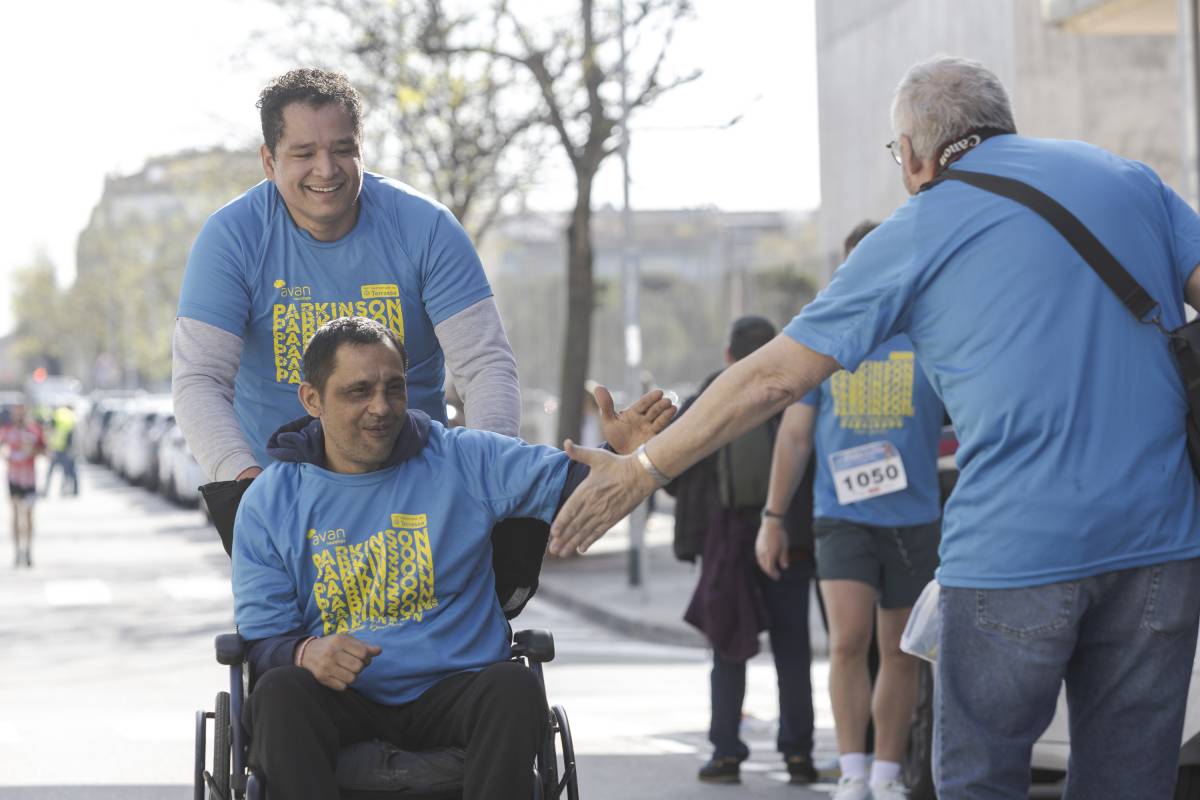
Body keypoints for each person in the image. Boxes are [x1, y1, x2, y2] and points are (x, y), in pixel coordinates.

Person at [550, 55, 1200, 800]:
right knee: (1131, 784)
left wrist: (643, 469)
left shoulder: (917, 228)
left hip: (1016, 554)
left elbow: (772, 378)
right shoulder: (1127, 181)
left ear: (916, 155)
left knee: (979, 782)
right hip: (1163, 546)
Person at [234, 316, 675, 800]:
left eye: (394, 388)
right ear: (312, 399)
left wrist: (621, 454)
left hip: (455, 689)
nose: (381, 407)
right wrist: (304, 653)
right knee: (278, 694)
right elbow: (263, 641)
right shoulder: (271, 501)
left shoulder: (464, 459)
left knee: (514, 686)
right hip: (345, 699)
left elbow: (570, 485)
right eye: (358, 391)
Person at [173, 68, 520, 485]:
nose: (326, 169)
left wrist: (487, 475)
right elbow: (200, 379)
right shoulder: (231, 239)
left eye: (342, 149)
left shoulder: (427, 228)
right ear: (270, 161)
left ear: (361, 149)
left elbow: (485, 364)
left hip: (418, 491)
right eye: (303, 154)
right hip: (281, 495)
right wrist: (245, 487)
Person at [756, 222, 941, 800]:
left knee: (898, 650)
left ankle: (887, 774)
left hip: (914, 518)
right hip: (841, 515)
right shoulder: (828, 337)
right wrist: (772, 518)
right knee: (846, 642)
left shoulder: (928, 336)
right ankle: (853, 771)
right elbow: (794, 437)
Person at [667, 315, 819, 786]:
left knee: (728, 649)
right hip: (789, 539)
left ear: (729, 355)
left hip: (729, 543)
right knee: (794, 651)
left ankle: (726, 753)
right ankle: (798, 755)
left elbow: (674, 468)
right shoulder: (794, 388)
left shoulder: (714, 392)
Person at [1, 403, 45, 568]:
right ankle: (17, 551)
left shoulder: (34, 430)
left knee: (28, 515)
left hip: (29, 479)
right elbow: (2, 448)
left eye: (21, 411)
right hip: (13, 478)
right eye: (16, 412)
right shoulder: (7, 430)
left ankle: (28, 551)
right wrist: (6, 454)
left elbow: (44, 450)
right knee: (14, 514)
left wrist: (32, 451)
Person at [42, 405, 79, 497]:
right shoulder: (71, 415)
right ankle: (68, 490)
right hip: (66, 448)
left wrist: (48, 447)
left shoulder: (56, 414)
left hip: (55, 448)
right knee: (68, 471)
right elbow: (74, 433)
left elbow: (48, 431)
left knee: (51, 472)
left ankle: (46, 490)